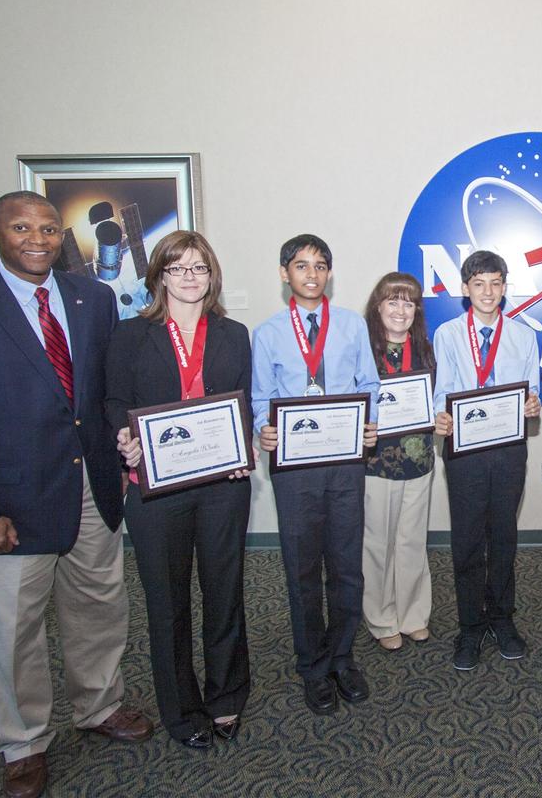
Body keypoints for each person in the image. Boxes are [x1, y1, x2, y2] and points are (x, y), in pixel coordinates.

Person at [0, 191, 153, 798]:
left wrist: (124, 454)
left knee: (99, 608)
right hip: (8, 507)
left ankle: (98, 705)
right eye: (21, 227)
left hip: (92, 489)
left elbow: (101, 394)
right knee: (13, 631)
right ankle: (24, 743)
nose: (37, 239)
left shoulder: (91, 298)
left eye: (47, 227)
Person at [105, 231, 253, 748]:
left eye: (199, 268)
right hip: (156, 490)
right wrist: (126, 437)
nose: (190, 277)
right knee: (167, 604)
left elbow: (244, 403)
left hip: (222, 488)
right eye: (178, 268)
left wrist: (242, 451)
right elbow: (115, 402)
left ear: (212, 276)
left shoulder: (234, 334)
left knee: (224, 593)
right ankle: (183, 711)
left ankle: (227, 697)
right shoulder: (128, 335)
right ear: (158, 277)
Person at [252, 234, 380, 717]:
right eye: (301, 266)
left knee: (346, 565)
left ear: (329, 273)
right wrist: (263, 428)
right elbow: (260, 397)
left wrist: (369, 426)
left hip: (346, 464)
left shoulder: (349, 326)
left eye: (320, 265)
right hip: (295, 470)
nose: (311, 274)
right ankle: (312, 665)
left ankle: (343, 656)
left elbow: (367, 384)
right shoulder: (266, 333)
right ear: (285, 273)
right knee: (302, 567)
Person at [432, 249, 542, 671]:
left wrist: (532, 404)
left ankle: (502, 619)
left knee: (503, 537)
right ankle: (470, 626)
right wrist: (441, 415)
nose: (488, 292)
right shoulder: (447, 334)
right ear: (464, 289)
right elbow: (442, 389)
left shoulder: (521, 335)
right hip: (464, 451)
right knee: (467, 541)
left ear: (505, 287)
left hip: (509, 450)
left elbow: (531, 389)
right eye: (479, 284)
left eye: (496, 283)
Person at [362, 272, 437, 651]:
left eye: (408, 302)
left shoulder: (425, 347)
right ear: (378, 306)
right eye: (392, 300)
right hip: (377, 463)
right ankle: (380, 617)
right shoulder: (363, 350)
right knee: (378, 543)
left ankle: (412, 615)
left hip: (420, 459)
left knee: (411, 541)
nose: (400, 309)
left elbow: (437, 400)